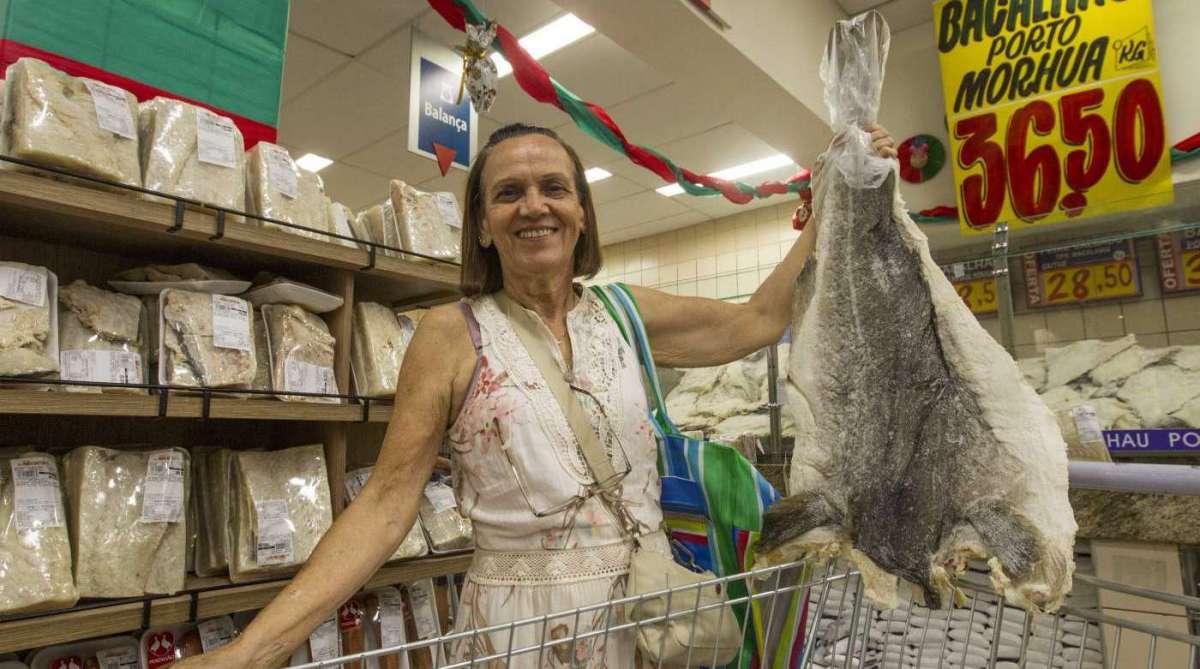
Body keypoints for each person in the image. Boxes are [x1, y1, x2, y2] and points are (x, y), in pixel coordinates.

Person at [177, 122, 896, 668]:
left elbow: (758, 320)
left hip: (651, 615)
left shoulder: (623, 312)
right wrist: (255, 648)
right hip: (520, 631)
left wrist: (837, 197)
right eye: (508, 193)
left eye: (554, 187)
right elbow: (387, 502)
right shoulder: (450, 334)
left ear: (582, 210)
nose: (534, 206)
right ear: (484, 226)